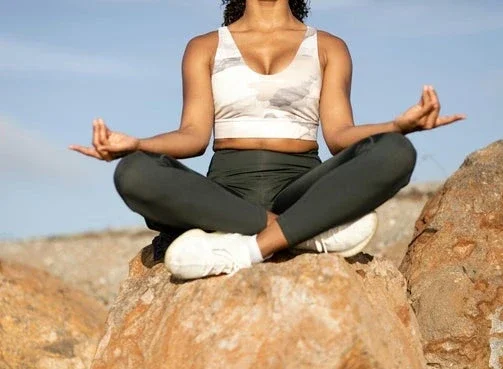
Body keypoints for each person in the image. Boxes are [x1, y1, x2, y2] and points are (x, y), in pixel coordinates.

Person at [69, 0, 466, 280]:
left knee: (395, 152)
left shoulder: (328, 46)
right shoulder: (204, 46)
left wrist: (398, 126)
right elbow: (192, 136)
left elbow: (341, 136)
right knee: (134, 173)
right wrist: (134, 144)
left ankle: (248, 248)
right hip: (224, 191)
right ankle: (304, 232)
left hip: (301, 186)